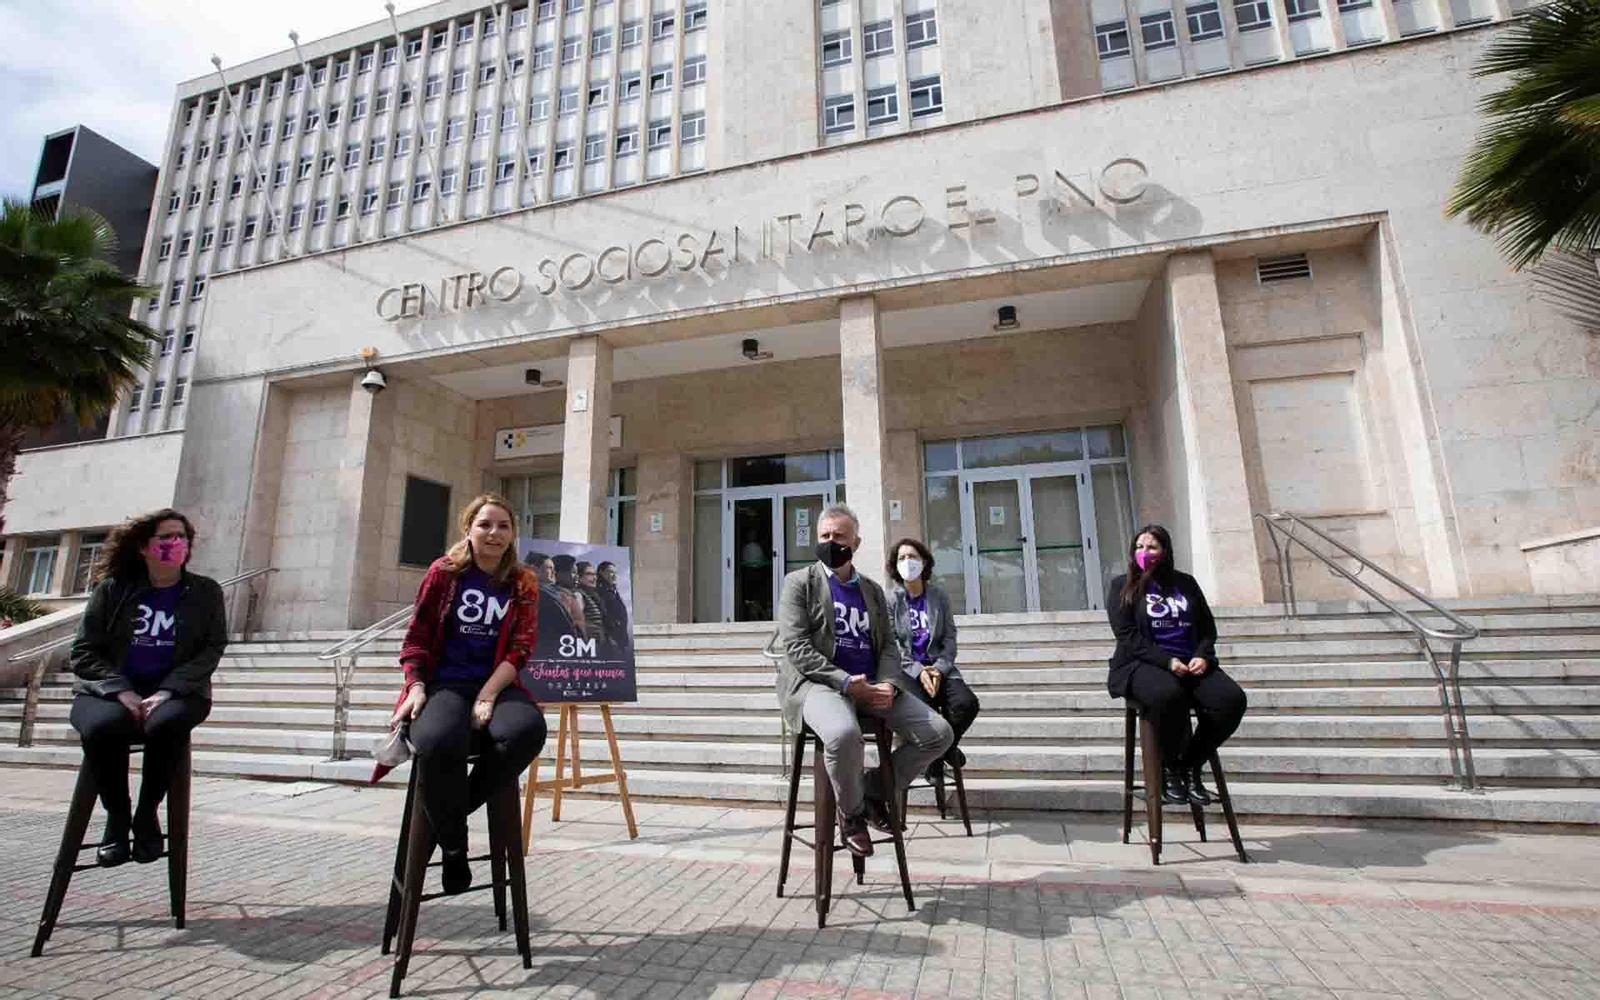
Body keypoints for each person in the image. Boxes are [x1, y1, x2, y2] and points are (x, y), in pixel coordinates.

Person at [389, 494, 547, 894]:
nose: (494, 533)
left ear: (513, 534)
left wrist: (489, 695)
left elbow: (521, 648)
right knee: (438, 741)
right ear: (469, 529)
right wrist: (416, 684)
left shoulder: (523, 580)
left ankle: (447, 819)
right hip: (444, 683)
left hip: (498, 682)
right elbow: (416, 638)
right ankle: (455, 848)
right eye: (485, 524)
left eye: (503, 526)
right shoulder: (444, 573)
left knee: (527, 731)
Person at [775, 505, 953, 856]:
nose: (830, 542)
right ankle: (852, 815)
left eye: (838, 536)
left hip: (872, 685)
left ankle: (871, 790)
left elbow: (888, 645)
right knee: (843, 735)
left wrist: (887, 682)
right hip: (819, 685)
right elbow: (796, 647)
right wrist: (844, 682)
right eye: (824, 535)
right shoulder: (799, 583)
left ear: (856, 542)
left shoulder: (872, 590)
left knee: (939, 734)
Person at [68, 508, 227, 867]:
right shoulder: (114, 590)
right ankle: (117, 817)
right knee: (102, 726)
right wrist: (119, 689)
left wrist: (169, 690)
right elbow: (83, 650)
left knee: (166, 723)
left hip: (178, 693)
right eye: (167, 537)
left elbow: (212, 648)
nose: (177, 544)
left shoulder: (205, 592)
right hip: (107, 691)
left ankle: (147, 814)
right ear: (144, 547)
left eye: (182, 537)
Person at [1105, 524, 1247, 805]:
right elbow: (1127, 635)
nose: (1144, 553)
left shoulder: (1186, 583)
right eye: (1139, 547)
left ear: (1166, 551)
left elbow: (1207, 627)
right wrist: (1166, 661)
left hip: (1190, 663)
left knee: (1231, 700)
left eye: (1152, 547)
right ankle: (1169, 768)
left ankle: (1187, 765)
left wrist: (1202, 655)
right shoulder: (1122, 586)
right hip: (1142, 664)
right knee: (1168, 695)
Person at [886, 538, 979, 783]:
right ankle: (942, 753)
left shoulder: (938, 596)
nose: (907, 562)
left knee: (966, 703)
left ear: (924, 561)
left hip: (941, 668)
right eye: (902, 558)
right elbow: (892, 645)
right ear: (895, 566)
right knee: (925, 715)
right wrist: (919, 671)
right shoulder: (891, 600)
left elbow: (949, 636)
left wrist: (938, 669)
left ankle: (940, 755)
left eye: (913, 556)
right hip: (908, 674)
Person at [595, 561, 631, 655]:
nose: (614, 575)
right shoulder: (598, 592)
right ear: (601, 573)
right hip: (609, 644)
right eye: (610, 572)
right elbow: (602, 618)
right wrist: (610, 639)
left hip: (620, 643)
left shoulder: (614, 592)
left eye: (615, 573)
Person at [550, 555, 589, 638]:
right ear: (558, 573)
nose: (577, 576)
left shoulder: (578, 594)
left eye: (577, 573)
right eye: (573, 572)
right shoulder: (555, 596)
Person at [574, 560, 606, 643]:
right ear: (579, 577)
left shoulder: (594, 596)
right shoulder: (578, 594)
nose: (594, 578)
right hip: (589, 645)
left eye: (595, 574)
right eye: (589, 574)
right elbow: (576, 624)